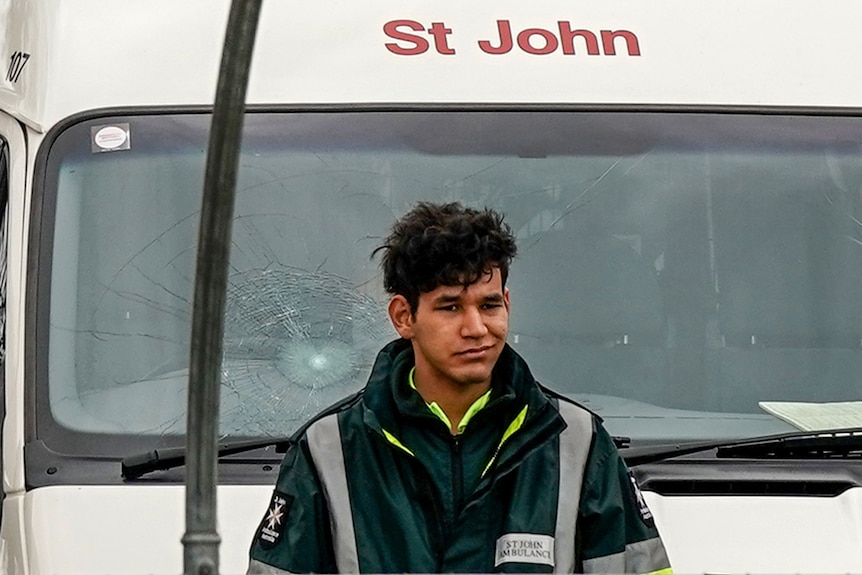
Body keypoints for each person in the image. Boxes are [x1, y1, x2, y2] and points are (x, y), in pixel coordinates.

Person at [247, 201, 672, 574]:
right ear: (403, 317)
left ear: (507, 303)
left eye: (489, 305)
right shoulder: (328, 451)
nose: (477, 328)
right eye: (450, 307)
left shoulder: (578, 444)